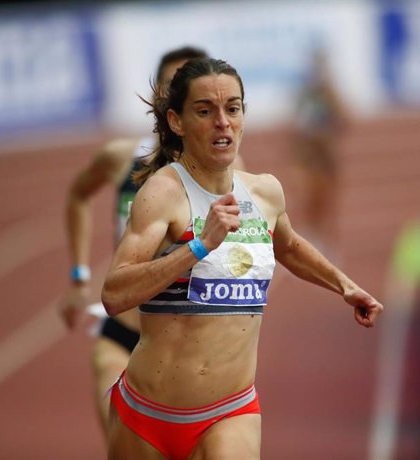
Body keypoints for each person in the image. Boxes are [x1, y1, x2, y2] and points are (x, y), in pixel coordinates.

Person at [101, 57, 384, 460]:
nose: (222, 121)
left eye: (233, 108)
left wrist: (344, 285)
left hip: (231, 411)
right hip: (148, 418)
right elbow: (114, 294)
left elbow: (287, 245)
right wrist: (198, 246)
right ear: (176, 122)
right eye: (205, 111)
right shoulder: (162, 194)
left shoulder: (265, 192)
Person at [59, 46, 213, 435]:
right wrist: (78, 276)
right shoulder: (122, 158)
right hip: (122, 335)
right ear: (161, 100)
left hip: (186, 347)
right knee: (120, 443)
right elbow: (78, 194)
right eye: (172, 87)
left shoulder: (225, 173)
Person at [293, 44, 351, 255]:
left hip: (326, 159)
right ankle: (311, 240)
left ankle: (329, 243)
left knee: (328, 202)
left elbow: (346, 120)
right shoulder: (304, 93)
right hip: (308, 159)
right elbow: (294, 125)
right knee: (309, 201)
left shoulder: (330, 93)